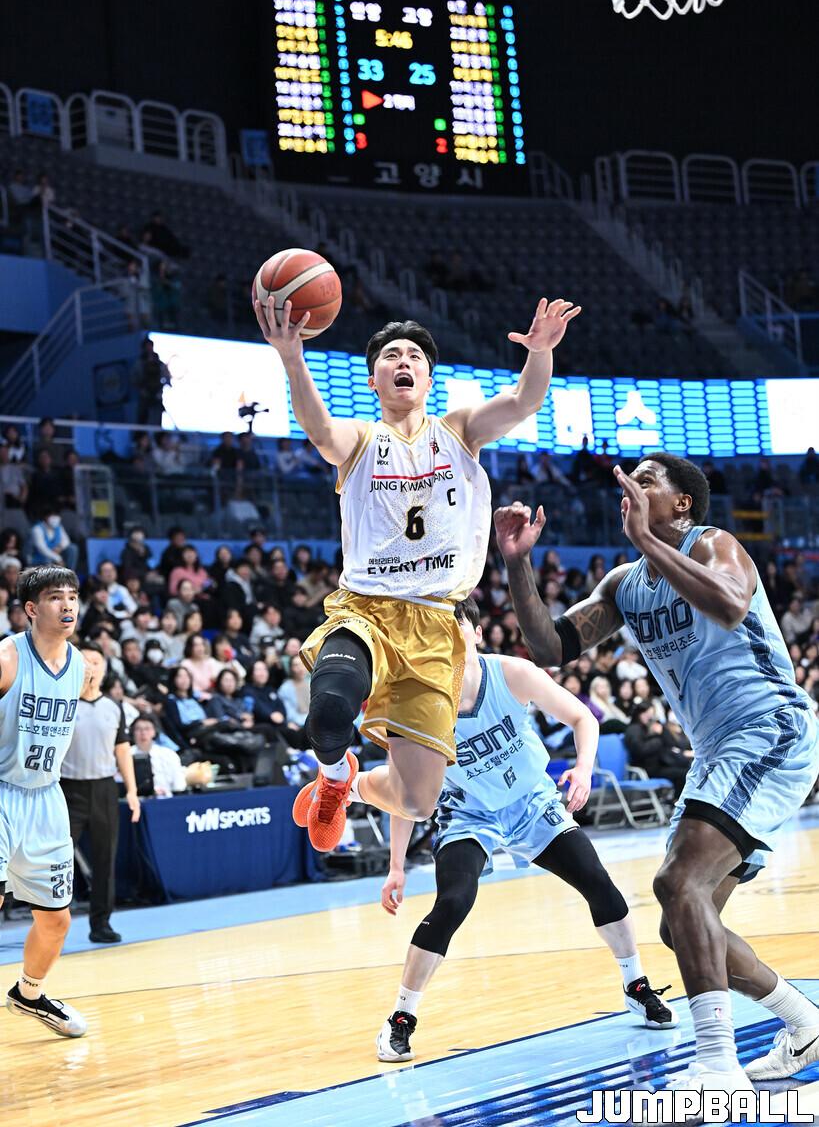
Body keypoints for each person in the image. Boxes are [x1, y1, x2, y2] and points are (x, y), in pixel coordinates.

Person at [494, 452, 819, 1101]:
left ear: (681, 504)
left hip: (768, 728)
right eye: (629, 481)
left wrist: (647, 540)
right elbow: (550, 647)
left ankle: (716, 1064)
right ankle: (805, 1024)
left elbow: (730, 604)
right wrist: (516, 563)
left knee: (677, 881)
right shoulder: (625, 584)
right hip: (717, 750)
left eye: (647, 481)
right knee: (681, 923)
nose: (630, 488)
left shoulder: (713, 544)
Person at [253, 293, 581, 853]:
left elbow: (525, 399)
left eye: (414, 356)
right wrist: (291, 356)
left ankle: (354, 786)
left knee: (418, 800)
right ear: (374, 380)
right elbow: (319, 430)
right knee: (329, 711)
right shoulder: (360, 440)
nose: (403, 361)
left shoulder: (459, 430)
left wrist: (541, 352)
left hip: (435, 625)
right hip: (367, 612)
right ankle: (333, 775)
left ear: (428, 379)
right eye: (391, 355)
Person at [375, 597, 677, 1062]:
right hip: (471, 813)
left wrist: (583, 768)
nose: (448, 642)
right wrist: (396, 866)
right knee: (453, 901)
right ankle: (400, 1018)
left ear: (477, 634)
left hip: (533, 803)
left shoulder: (511, 673)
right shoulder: (420, 705)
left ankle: (634, 984)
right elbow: (405, 792)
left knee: (599, 884)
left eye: (456, 630)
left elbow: (582, 718)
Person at [0, 565, 88, 1037]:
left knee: (56, 921)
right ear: (32, 609)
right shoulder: (7, 658)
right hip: (1, 789)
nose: (68, 604)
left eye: (72, 595)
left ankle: (28, 994)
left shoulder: (81, 666)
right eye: (56, 597)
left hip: (46, 798)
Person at [60, 642, 140, 943]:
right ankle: (52, 923)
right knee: (59, 859)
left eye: (96, 661)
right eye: (85, 661)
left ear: (105, 669)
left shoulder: (114, 706)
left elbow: (123, 751)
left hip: (104, 787)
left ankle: (101, 923)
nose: (91, 667)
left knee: (105, 858)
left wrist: (131, 790)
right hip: (68, 789)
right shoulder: (64, 702)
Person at [130, 715, 187, 796]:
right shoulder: (127, 754)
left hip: (167, 797)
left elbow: (179, 783)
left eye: (147, 729)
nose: (143, 733)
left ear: (154, 731)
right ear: (133, 732)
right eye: (138, 729)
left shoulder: (168, 754)